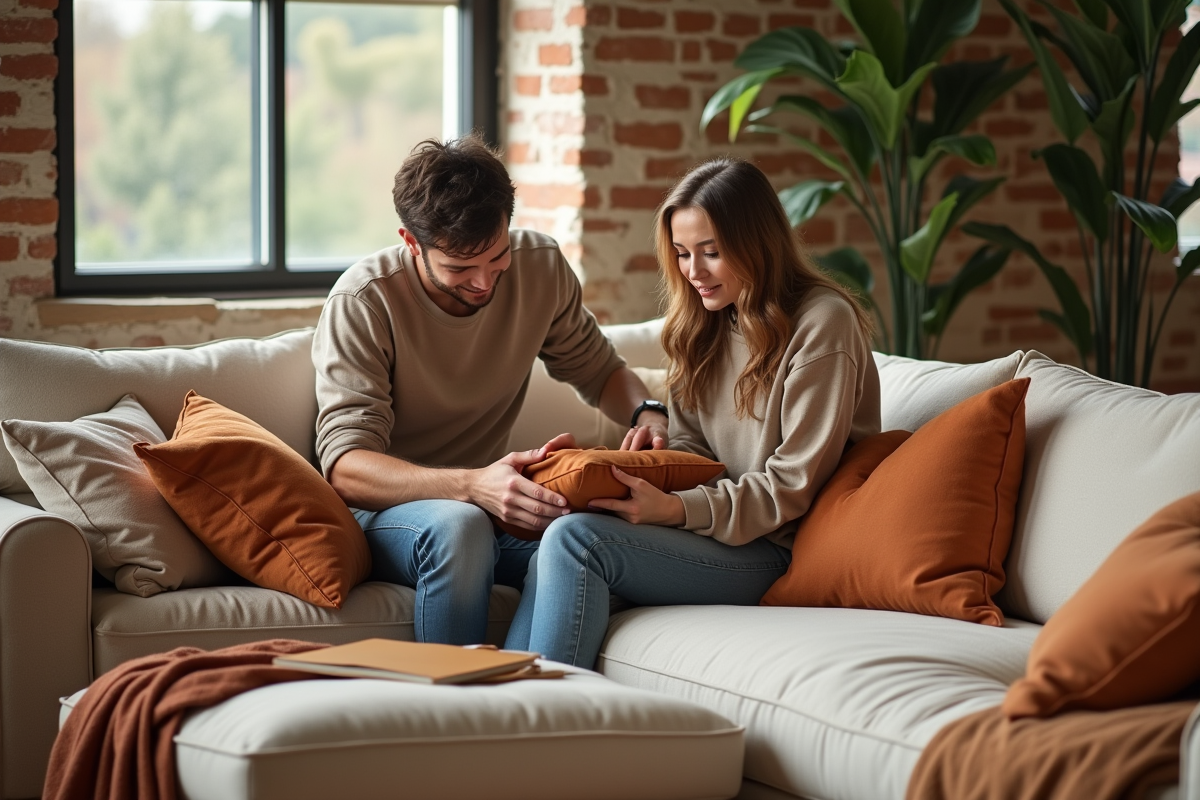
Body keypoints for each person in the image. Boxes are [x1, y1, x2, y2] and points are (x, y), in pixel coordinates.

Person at [505, 157, 882, 668]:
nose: (693, 272)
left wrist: (678, 510)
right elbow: (694, 450)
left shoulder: (822, 325)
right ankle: (497, 711)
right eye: (683, 254)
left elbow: (793, 487)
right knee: (554, 525)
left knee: (579, 543)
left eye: (712, 253)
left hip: (782, 546)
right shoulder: (705, 323)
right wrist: (626, 475)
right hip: (717, 528)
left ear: (757, 244)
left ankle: (534, 721)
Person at [312, 134, 668, 645]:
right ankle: (456, 710)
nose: (483, 281)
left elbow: (601, 371)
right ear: (412, 242)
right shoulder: (365, 300)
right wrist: (471, 485)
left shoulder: (540, 267)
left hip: (486, 503)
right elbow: (346, 467)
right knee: (461, 527)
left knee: (583, 537)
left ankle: (528, 700)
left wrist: (647, 413)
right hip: (384, 513)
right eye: (459, 267)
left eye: (496, 256)